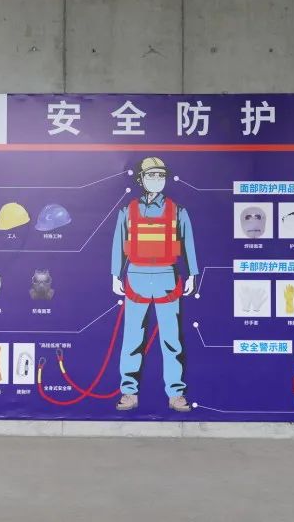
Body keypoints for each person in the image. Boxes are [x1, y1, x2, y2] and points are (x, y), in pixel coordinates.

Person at [110, 157, 198, 412]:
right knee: (132, 339)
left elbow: (188, 243)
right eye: (151, 175)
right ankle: (129, 392)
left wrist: (193, 274)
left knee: (171, 340)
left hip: (166, 277)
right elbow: (119, 243)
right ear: (141, 179)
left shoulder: (178, 211)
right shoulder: (127, 211)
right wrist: (115, 275)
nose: (156, 180)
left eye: (160, 175)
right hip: (136, 277)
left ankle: (176, 393)